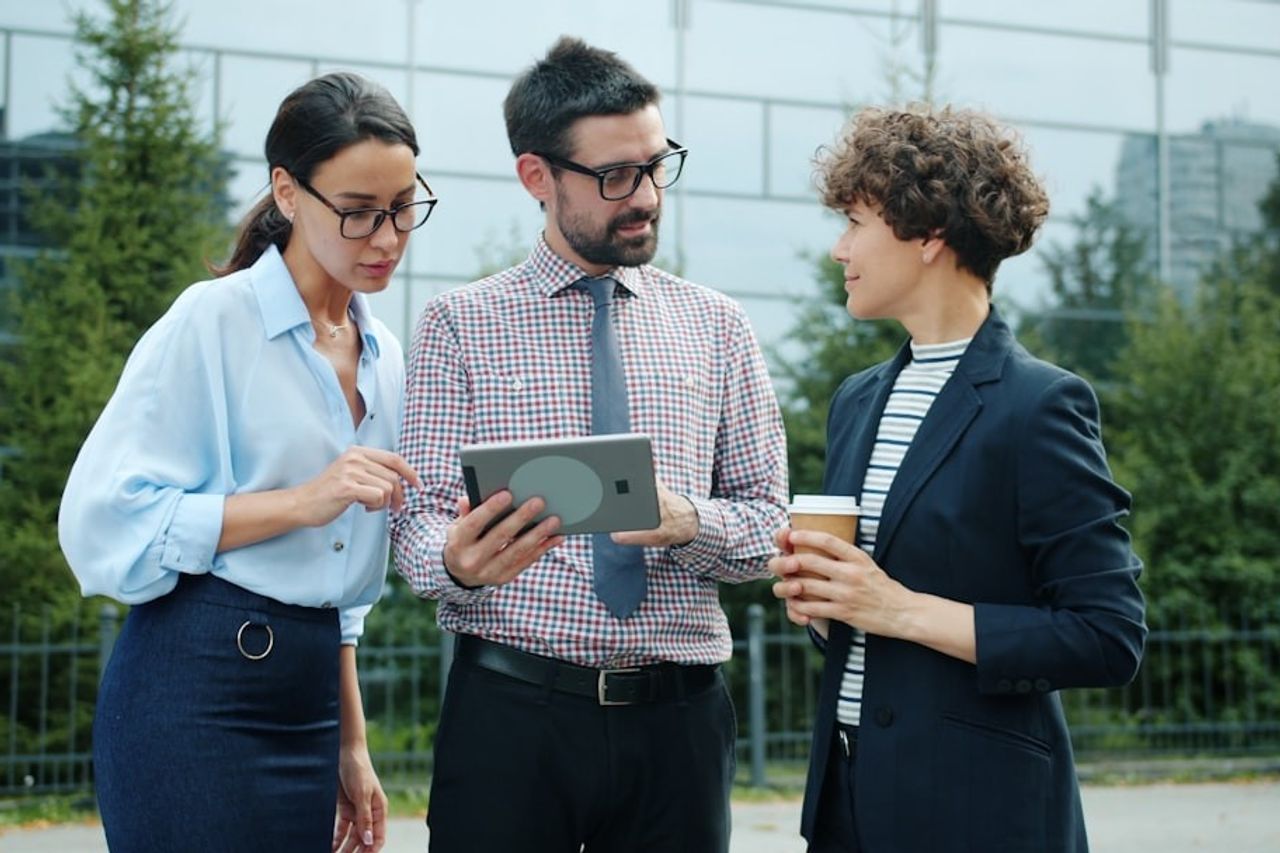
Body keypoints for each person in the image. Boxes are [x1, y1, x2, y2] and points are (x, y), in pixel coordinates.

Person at [391, 36, 788, 853]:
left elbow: (770, 527)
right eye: (615, 176)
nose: (644, 194)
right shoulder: (460, 326)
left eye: (655, 164)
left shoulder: (718, 328)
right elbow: (416, 524)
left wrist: (689, 521)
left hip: (679, 726)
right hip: (511, 717)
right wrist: (458, 560)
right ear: (537, 176)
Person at [58, 71, 433, 853]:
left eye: (402, 209)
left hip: (311, 696)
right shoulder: (213, 320)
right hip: (193, 692)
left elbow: (339, 590)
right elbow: (101, 520)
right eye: (359, 214)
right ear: (288, 193)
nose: (387, 239)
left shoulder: (386, 356)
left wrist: (352, 743)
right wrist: (305, 498)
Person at [769, 105, 1147, 853]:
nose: (839, 248)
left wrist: (897, 609)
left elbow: (1107, 635)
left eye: (854, 221)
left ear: (928, 231)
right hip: (846, 806)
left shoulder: (1040, 404)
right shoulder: (856, 399)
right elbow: (866, 620)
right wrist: (823, 605)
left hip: (978, 813)